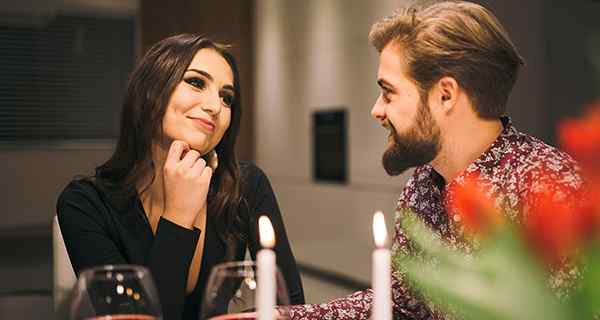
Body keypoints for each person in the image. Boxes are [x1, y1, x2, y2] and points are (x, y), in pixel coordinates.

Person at [284, 1, 583, 319]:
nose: (377, 110)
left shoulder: (553, 191)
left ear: (445, 95)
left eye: (388, 93)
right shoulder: (424, 184)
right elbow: (401, 305)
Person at [56, 34, 304, 320]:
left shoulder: (245, 185)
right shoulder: (84, 203)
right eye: (196, 82)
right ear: (149, 91)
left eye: (227, 97)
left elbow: (293, 306)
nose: (215, 106)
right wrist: (178, 216)